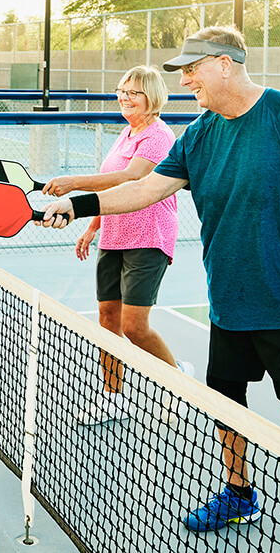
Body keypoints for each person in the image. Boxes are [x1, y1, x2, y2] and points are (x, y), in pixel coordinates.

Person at [40, 25, 280, 553]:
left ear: (226, 64)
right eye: (183, 71)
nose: (185, 79)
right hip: (228, 302)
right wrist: (79, 205)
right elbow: (144, 188)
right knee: (225, 405)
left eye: (193, 68)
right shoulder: (201, 133)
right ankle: (239, 493)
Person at [41, 65, 193, 426]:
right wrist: (92, 226)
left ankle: (178, 381)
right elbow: (111, 192)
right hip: (113, 235)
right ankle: (112, 396)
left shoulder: (158, 136)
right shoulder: (126, 133)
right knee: (108, 318)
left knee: (134, 325)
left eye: (133, 92)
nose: (124, 97)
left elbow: (132, 179)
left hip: (148, 237)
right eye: (122, 91)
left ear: (151, 97)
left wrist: (74, 184)